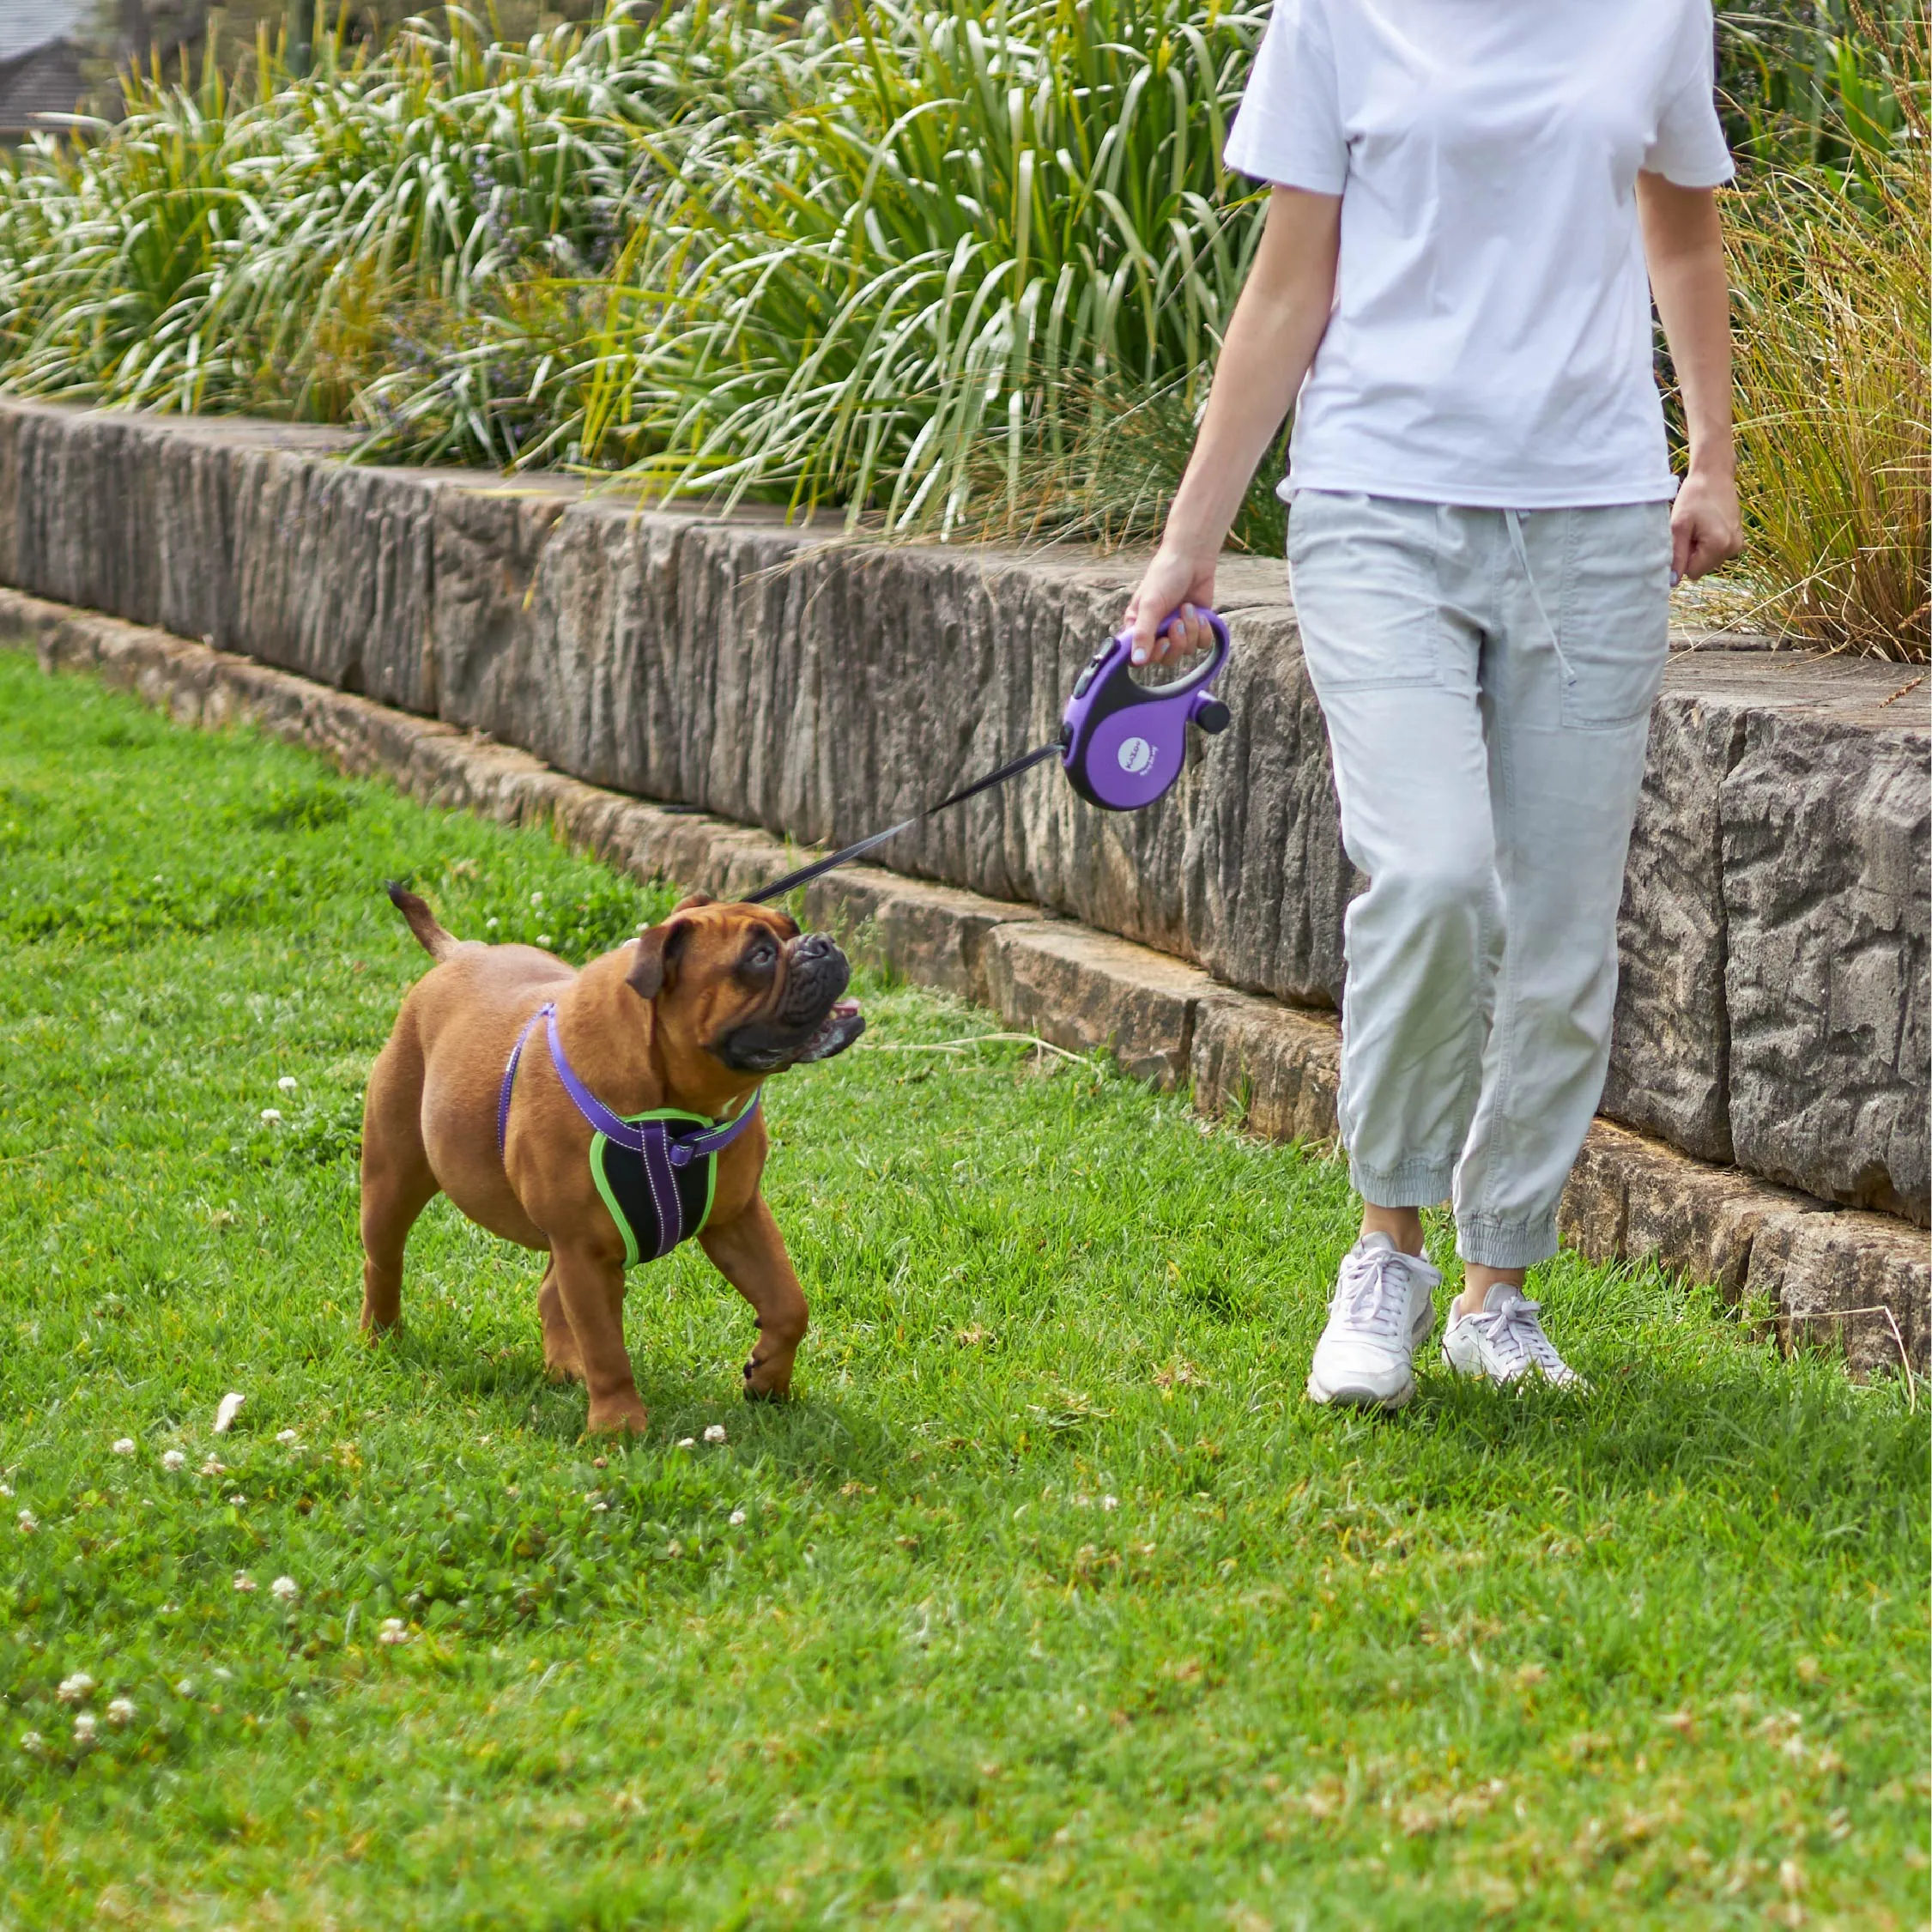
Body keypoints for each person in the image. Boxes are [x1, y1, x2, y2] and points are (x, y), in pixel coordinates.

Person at [1124, 0, 1744, 1407]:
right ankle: (1386, 1249)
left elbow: (1683, 228)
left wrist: (1708, 455)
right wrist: (1189, 540)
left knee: (1561, 932)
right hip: (1377, 503)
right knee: (1431, 876)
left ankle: (1498, 1285)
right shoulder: (1336, 13)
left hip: (1594, 517)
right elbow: (1287, 286)